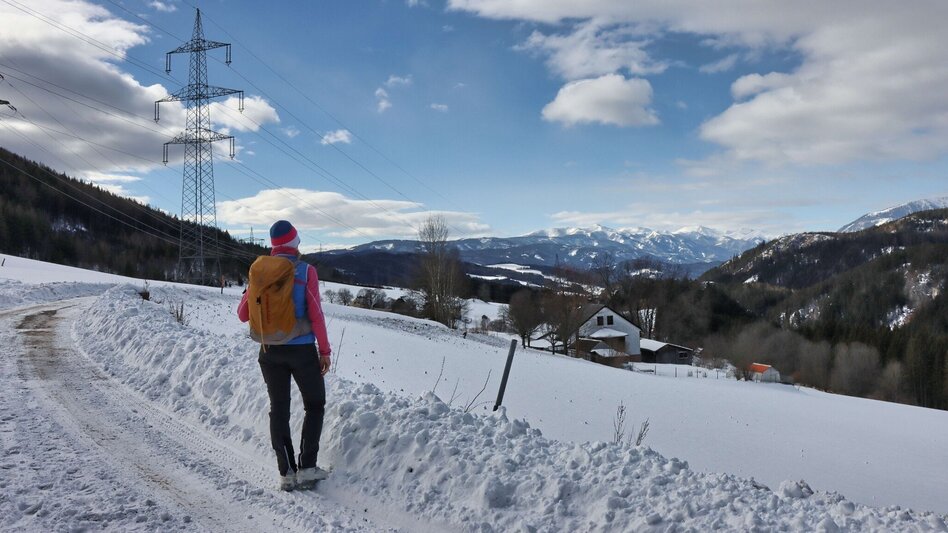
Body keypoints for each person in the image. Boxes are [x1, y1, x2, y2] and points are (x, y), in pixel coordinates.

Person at [237, 220, 332, 491]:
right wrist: (324, 351)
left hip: (269, 351)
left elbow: (242, 313)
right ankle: (308, 468)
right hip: (301, 351)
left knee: (279, 409)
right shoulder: (305, 270)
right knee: (314, 405)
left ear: (273, 246)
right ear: (294, 243)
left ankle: (287, 473)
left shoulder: (258, 272)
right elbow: (316, 313)